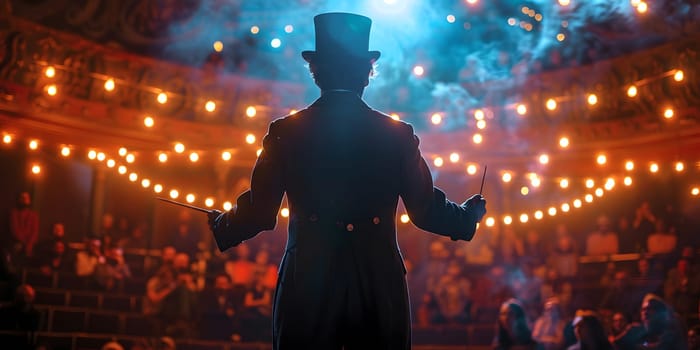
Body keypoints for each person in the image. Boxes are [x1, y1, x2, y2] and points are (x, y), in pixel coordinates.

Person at [207, 12, 487, 349]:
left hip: (307, 285)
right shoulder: (396, 135)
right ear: (367, 74)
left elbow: (260, 212)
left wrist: (225, 225)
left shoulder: (286, 132)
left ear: (316, 72)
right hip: (377, 286)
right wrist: (467, 217)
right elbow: (425, 210)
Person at [9, 191, 39, 257]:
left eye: (26, 197)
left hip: (30, 244)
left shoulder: (34, 215)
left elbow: (35, 232)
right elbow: (14, 230)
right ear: (19, 199)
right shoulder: (14, 213)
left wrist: (29, 244)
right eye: (22, 197)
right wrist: (25, 243)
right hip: (18, 242)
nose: (25, 199)